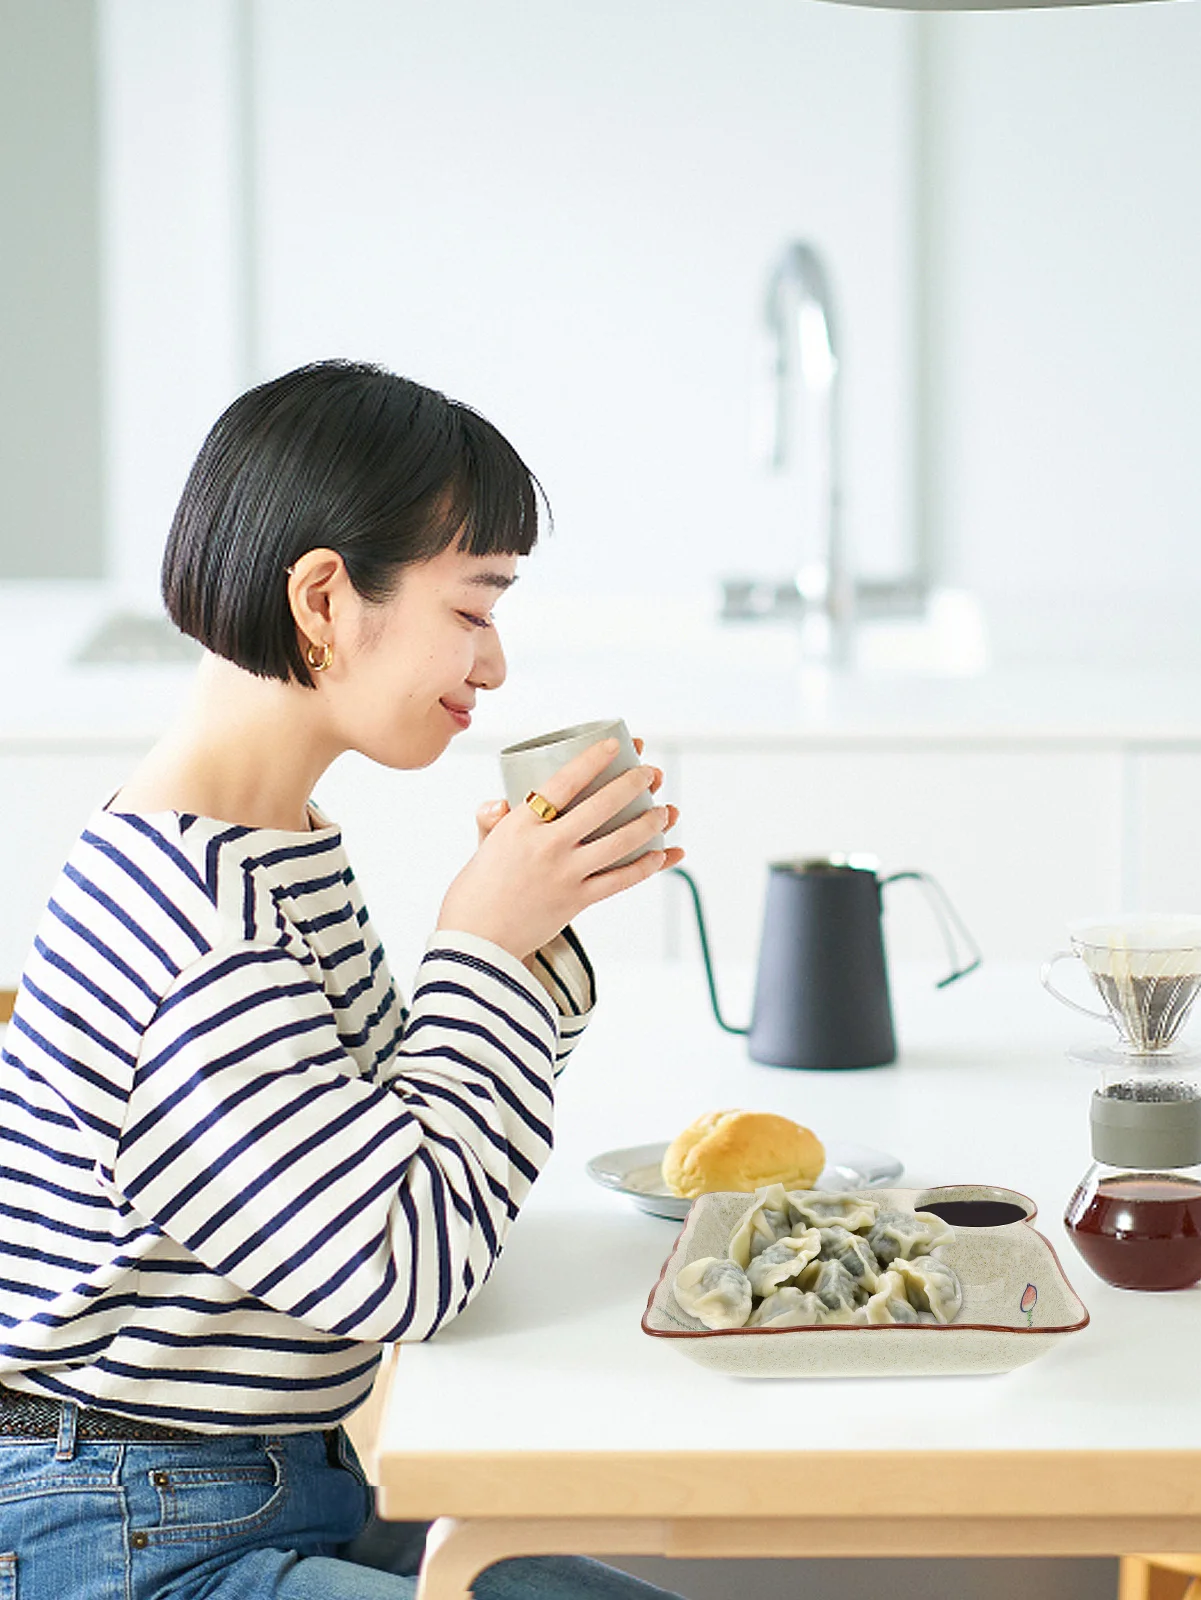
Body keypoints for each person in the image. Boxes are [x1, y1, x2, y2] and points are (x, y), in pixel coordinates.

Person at [0, 361, 687, 1599]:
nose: (494, 665)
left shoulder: (264, 842)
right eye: (473, 609)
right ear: (325, 596)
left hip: (255, 1483)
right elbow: (402, 1262)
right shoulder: (194, 921)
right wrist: (481, 949)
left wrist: (519, 941)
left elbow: (391, 1141)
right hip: (128, 1533)